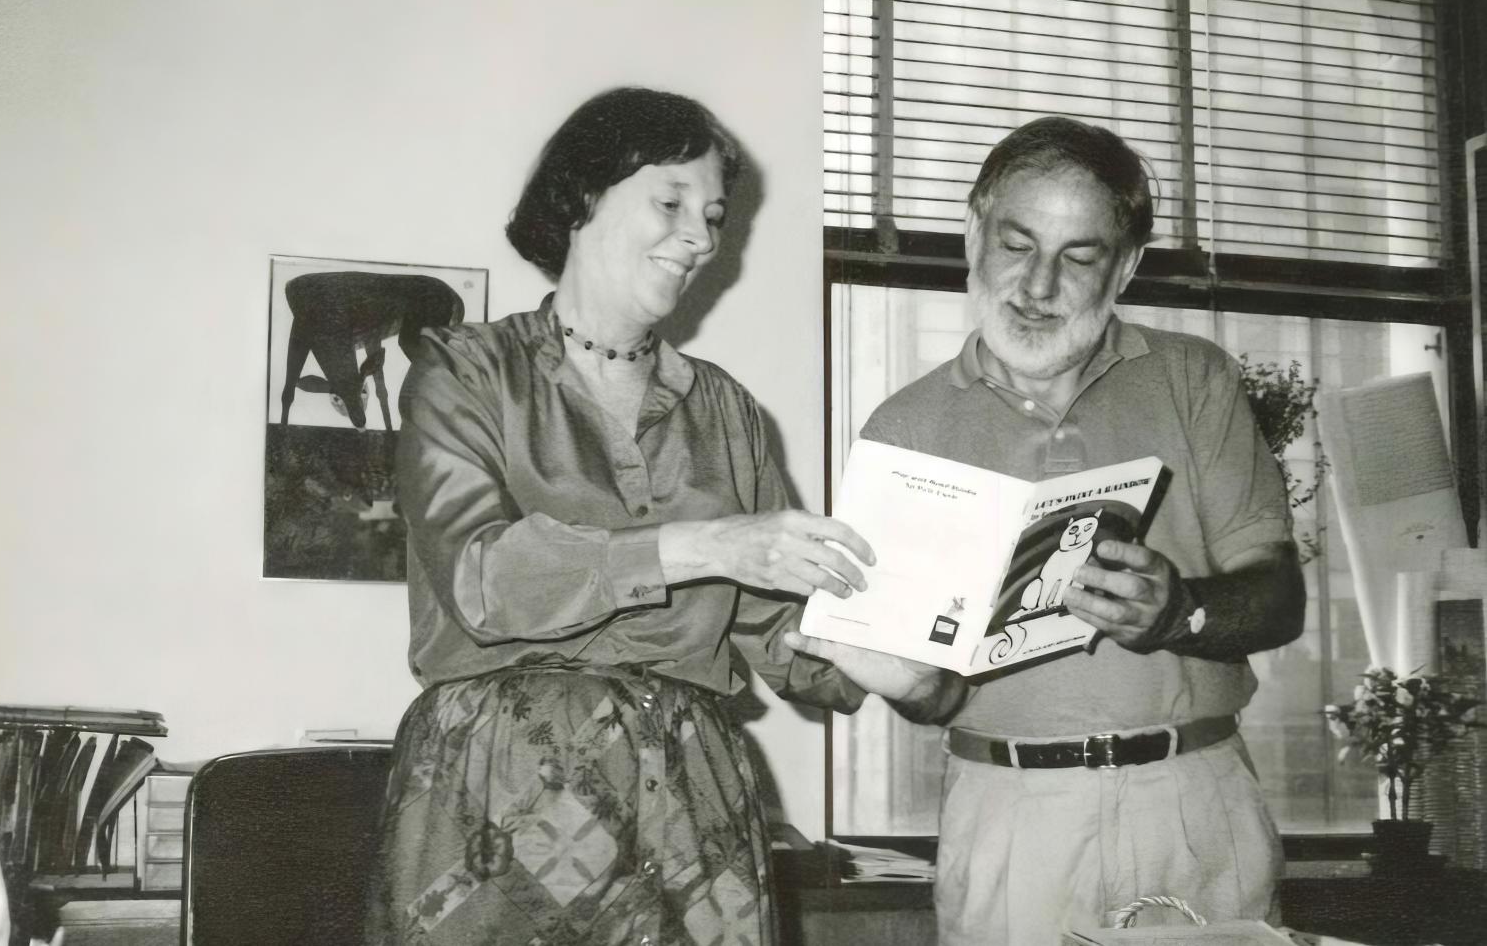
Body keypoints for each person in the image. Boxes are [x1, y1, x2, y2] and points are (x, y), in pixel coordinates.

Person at [366, 86, 928, 946]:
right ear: (582, 197)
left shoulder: (729, 411)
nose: (702, 238)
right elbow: (483, 577)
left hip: (689, 796)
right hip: (497, 792)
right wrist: (704, 543)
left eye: (711, 214)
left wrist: (910, 657)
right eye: (670, 203)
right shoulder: (464, 372)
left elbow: (779, 629)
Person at [786, 116, 1306, 944]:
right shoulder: (903, 427)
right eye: (1016, 244)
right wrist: (861, 662)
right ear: (972, 232)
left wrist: (1178, 611)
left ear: (1126, 266)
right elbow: (927, 690)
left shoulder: (1193, 379)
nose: (1038, 284)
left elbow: (1279, 598)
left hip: (1194, 801)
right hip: (1008, 816)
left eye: (1080, 256)